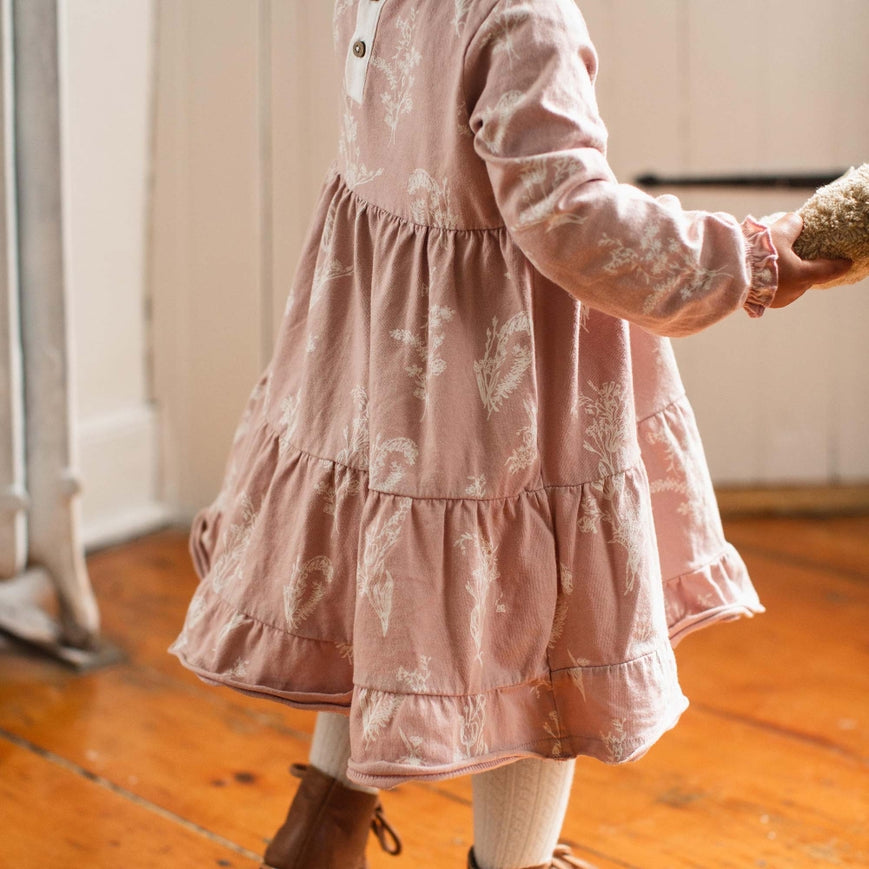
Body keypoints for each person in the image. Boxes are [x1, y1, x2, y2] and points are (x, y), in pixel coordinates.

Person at [169, 1, 851, 867]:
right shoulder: (523, 18)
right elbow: (572, 221)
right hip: (498, 380)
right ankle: (516, 861)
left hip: (382, 344)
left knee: (374, 572)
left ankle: (321, 829)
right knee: (533, 629)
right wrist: (751, 256)